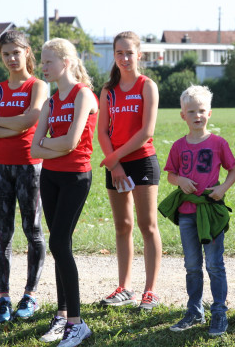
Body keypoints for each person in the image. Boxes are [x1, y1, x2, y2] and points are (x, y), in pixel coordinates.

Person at [31, 38, 98, 347]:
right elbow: (34, 148)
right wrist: (51, 145)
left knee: (58, 242)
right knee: (60, 245)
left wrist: (48, 144)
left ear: (66, 62)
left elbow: (71, 143)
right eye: (42, 61)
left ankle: (77, 323)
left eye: (48, 61)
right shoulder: (50, 102)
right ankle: (62, 316)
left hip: (76, 177)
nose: (43, 67)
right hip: (51, 177)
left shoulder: (83, 95)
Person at [0, 30, 47, 323]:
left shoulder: (38, 85)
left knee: (33, 231)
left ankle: (30, 295)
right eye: (6, 54)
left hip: (30, 167)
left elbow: (31, 119)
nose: (11, 59)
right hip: (1, 169)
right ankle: (4, 298)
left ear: (26, 51)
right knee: (2, 233)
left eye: (16, 52)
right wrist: (13, 125)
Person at [159, 85, 235, 337]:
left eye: (202, 111)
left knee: (215, 264)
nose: (197, 116)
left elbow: (233, 170)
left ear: (209, 113)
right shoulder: (178, 146)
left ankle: (219, 312)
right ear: (183, 115)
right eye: (191, 111)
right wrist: (180, 180)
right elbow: (170, 175)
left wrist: (222, 188)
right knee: (192, 265)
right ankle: (194, 311)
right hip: (186, 214)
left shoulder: (218, 143)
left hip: (210, 213)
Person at [97, 31, 163, 311]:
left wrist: (114, 159)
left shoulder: (147, 86)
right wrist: (114, 165)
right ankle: (125, 289)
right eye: (119, 53)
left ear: (139, 55)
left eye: (129, 53)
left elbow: (146, 131)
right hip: (116, 166)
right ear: (114, 56)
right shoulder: (108, 90)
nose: (124, 58)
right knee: (123, 226)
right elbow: (102, 132)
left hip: (142, 162)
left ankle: (150, 291)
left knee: (148, 225)